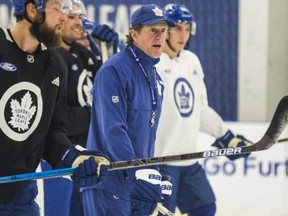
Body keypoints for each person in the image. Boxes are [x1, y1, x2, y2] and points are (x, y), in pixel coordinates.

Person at [0, 0, 109, 215]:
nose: (63, 17)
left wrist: (73, 157)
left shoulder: (54, 65)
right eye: (58, 9)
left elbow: (52, 131)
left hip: (20, 194)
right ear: (32, 10)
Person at [154, 4, 252, 216]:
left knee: (205, 208)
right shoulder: (153, 63)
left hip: (189, 160)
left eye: (187, 29)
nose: (183, 34)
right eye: (178, 28)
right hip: (161, 162)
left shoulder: (192, 61)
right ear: (166, 30)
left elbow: (200, 109)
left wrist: (227, 137)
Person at [81, 4, 175, 216]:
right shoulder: (114, 70)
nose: (160, 36)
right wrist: (140, 171)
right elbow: (113, 130)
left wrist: (155, 170)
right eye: (153, 30)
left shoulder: (155, 77)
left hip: (134, 185)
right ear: (134, 34)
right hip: (108, 184)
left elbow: (147, 134)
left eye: (163, 30)